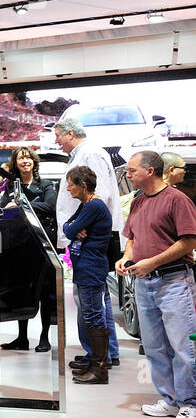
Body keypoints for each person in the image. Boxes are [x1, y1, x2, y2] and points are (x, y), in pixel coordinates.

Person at [118, 150, 196, 418]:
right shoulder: (138, 202)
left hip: (173, 281)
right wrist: (127, 257)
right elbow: (132, 238)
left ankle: (191, 403)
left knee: (183, 346)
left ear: (150, 171)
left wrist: (151, 262)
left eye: (131, 170)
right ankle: (170, 399)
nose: (128, 175)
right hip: (144, 283)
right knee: (154, 347)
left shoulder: (177, 200)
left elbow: (188, 242)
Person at [53, 118, 123, 369]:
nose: (56, 141)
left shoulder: (90, 154)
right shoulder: (84, 153)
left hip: (92, 242)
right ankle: (100, 353)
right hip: (87, 240)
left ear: (70, 133)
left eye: (58, 135)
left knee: (94, 303)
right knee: (93, 301)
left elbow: (98, 192)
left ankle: (102, 355)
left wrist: (83, 224)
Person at [0, 147, 59, 352]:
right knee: (22, 289)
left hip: (43, 244)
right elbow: (4, 208)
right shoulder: (11, 187)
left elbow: (51, 207)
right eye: (20, 158)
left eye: (27, 157)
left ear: (34, 161)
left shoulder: (46, 184)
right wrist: (16, 204)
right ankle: (22, 338)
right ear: (15, 163)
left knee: (46, 291)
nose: (25, 161)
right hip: (20, 243)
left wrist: (21, 204)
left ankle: (44, 337)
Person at [62, 166, 114, 384]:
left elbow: (72, 231)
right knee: (89, 314)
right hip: (85, 267)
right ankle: (94, 361)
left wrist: (73, 227)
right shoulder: (86, 205)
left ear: (83, 185)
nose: (67, 188)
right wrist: (72, 226)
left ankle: (100, 369)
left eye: (71, 184)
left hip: (91, 268)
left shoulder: (94, 206)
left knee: (93, 315)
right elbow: (67, 226)